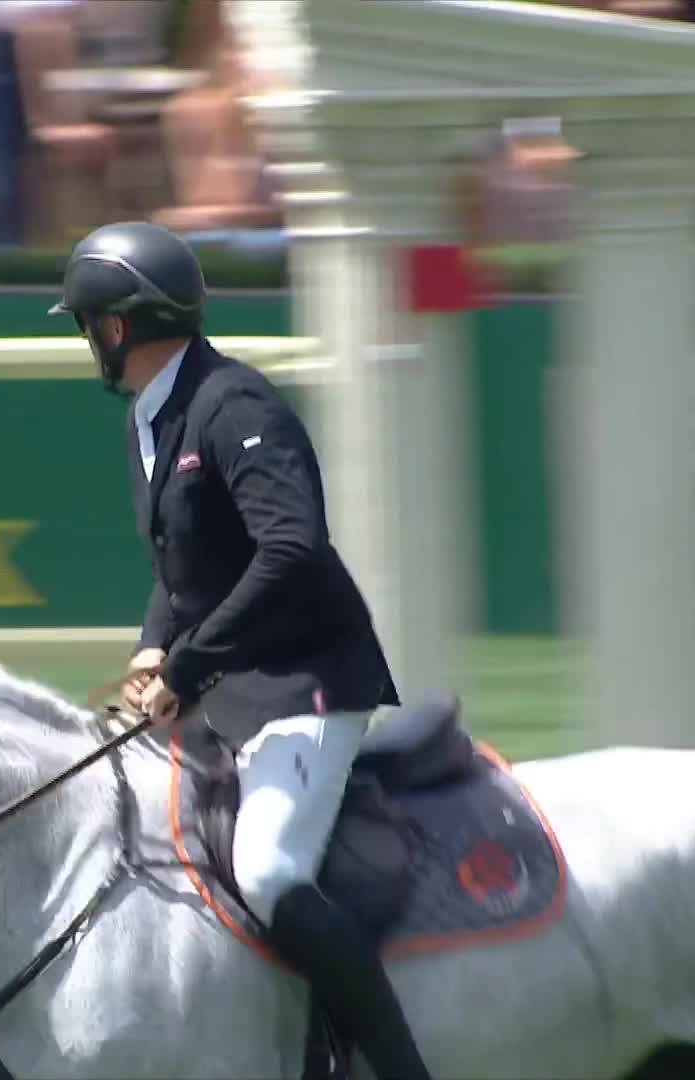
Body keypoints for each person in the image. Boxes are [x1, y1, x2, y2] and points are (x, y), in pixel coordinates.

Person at [48, 220, 432, 1080]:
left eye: (85, 326)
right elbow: (184, 571)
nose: (87, 343)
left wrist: (190, 663)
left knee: (265, 869)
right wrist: (155, 648)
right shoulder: (155, 420)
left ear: (114, 329)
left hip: (307, 681)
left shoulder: (234, 406)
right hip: (234, 683)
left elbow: (290, 552)